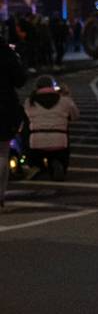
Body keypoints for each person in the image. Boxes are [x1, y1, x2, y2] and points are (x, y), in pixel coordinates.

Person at [23, 75, 79, 181]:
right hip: (60, 140)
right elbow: (75, 116)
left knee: (28, 134)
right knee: (62, 149)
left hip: (36, 141)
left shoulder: (29, 102)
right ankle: (58, 164)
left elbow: (26, 119)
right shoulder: (65, 101)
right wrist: (66, 95)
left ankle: (37, 166)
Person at [0, 42, 28, 209]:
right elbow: (20, 80)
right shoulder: (5, 51)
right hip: (3, 106)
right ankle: (0, 195)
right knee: (2, 152)